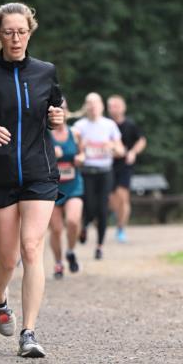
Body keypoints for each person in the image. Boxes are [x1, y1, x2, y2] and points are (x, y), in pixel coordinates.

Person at [0, 1, 64, 358]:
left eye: (22, 32)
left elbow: (57, 110)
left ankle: (29, 332)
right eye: (9, 32)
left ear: (30, 32)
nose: (16, 38)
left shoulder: (45, 71)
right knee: (7, 260)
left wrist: (57, 118)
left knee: (32, 248)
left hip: (39, 172)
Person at [73, 92, 124, 260]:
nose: (92, 106)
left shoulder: (109, 125)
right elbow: (71, 148)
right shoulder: (79, 126)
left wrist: (113, 147)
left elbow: (121, 150)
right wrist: (79, 148)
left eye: (95, 103)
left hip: (104, 172)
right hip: (86, 172)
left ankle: (100, 246)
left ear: (101, 106)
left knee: (102, 209)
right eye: (89, 103)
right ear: (85, 106)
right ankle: (85, 225)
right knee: (89, 206)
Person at [49, 98, 84, 278]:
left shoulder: (75, 133)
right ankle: (58, 262)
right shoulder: (44, 134)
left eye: (62, 109)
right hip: (51, 187)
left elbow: (82, 153)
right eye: (55, 109)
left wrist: (81, 159)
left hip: (73, 184)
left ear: (67, 112)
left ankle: (71, 251)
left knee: (72, 221)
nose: (59, 112)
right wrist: (50, 154)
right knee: (56, 229)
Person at [108, 94, 147, 243]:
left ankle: (121, 228)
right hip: (108, 166)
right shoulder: (105, 124)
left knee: (123, 196)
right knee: (111, 199)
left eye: (116, 105)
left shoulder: (130, 125)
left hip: (125, 165)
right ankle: (116, 214)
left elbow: (142, 140)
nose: (113, 109)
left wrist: (133, 152)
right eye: (111, 106)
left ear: (123, 108)